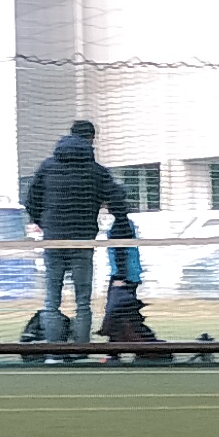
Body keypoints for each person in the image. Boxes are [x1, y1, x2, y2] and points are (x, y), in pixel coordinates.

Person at [21, 118, 135, 350]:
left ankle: (54, 351)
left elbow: (31, 200)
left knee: (52, 300)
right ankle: (82, 349)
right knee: (83, 301)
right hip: (82, 240)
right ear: (91, 139)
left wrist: (45, 224)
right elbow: (117, 201)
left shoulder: (47, 167)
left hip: (53, 240)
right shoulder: (96, 171)